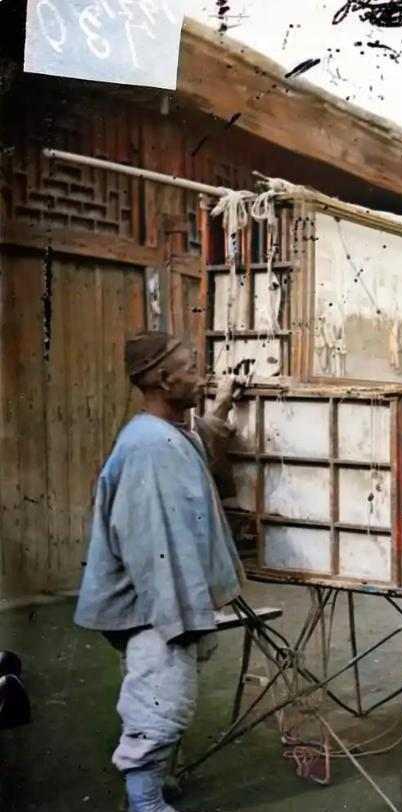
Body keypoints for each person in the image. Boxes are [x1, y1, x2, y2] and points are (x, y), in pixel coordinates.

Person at [74, 332, 244, 812]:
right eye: (191, 369)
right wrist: (179, 618)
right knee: (161, 699)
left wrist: (223, 405)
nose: (201, 376)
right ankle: (144, 802)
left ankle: (151, 788)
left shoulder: (165, 432)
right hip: (155, 605)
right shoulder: (150, 449)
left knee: (161, 693)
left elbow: (196, 442)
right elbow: (156, 549)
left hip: (155, 601)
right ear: (164, 380)